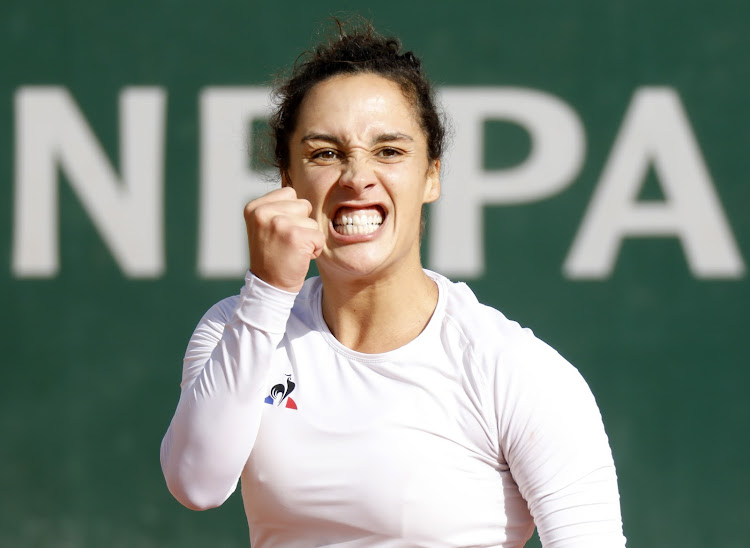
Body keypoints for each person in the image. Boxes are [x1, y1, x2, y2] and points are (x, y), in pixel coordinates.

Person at [160, 20, 627, 548]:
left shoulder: (515, 369)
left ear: (432, 175)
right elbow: (197, 484)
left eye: (388, 151)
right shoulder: (235, 326)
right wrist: (268, 291)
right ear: (288, 182)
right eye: (325, 153)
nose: (357, 176)